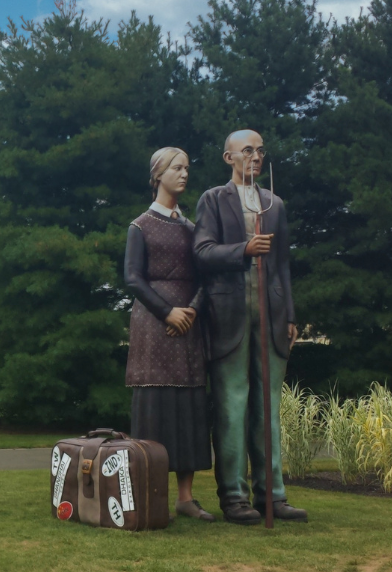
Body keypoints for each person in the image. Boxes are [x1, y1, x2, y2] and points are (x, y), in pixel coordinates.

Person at [193, 129, 307, 524]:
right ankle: (234, 497)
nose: (254, 157)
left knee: (267, 408)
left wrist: (290, 315)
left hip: (271, 315)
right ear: (229, 158)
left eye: (259, 151)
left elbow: (283, 265)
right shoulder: (212, 199)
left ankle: (272, 495)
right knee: (232, 405)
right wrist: (244, 249)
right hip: (229, 315)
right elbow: (202, 252)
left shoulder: (275, 204)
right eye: (246, 151)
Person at [124, 147, 214, 522]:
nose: (184, 174)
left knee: (189, 407)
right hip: (152, 325)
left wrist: (192, 309)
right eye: (177, 168)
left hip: (188, 326)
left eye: (187, 168)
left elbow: (207, 277)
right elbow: (132, 277)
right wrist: (167, 311)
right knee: (155, 407)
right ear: (158, 174)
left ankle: (186, 497)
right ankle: (150, 494)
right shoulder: (140, 226)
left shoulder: (194, 231)